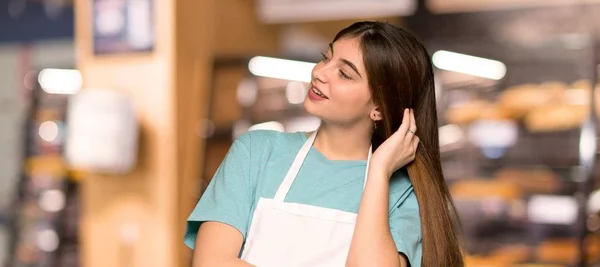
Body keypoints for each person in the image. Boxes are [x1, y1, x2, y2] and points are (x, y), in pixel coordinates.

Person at [184, 21, 463, 267]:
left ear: (378, 107)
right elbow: (212, 262)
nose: (320, 72)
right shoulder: (256, 152)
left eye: (345, 73)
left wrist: (378, 171)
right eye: (325, 58)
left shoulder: (400, 194)